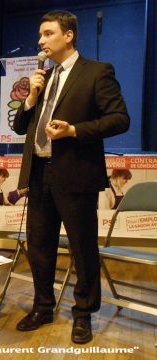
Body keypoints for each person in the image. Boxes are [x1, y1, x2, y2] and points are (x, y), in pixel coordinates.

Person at [12, 10, 129, 344]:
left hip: (76, 174)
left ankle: (83, 314)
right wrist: (31, 98)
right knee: (39, 247)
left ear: (68, 35)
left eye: (47, 33)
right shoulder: (42, 77)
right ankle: (43, 307)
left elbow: (120, 119)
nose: (40, 41)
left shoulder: (96, 72)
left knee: (81, 248)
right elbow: (21, 127)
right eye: (40, 35)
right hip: (39, 174)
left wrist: (75, 130)